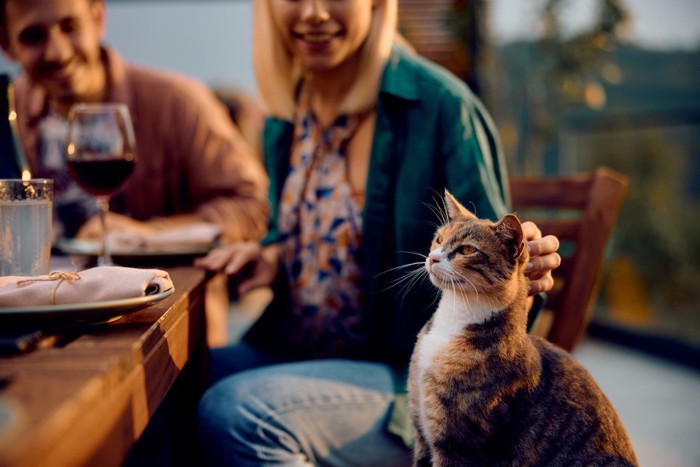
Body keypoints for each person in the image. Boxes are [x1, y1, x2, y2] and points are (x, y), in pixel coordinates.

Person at [195, 0, 561, 465]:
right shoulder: (285, 117)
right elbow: (293, 230)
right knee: (166, 381)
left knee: (237, 413)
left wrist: (525, 272)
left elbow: (499, 272)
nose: (313, 13)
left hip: (410, 379)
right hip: (297, 351)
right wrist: (271, 255)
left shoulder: (442, 108)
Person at [0, 0, 269, 245]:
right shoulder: (8, 113)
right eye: (33, 36)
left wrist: (153, 234)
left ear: (98, 19)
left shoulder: (178, 102)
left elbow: (254, 207)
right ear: (6, 44)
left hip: (163, 297)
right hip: (46, 295)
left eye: (70, 26)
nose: (57, 52)